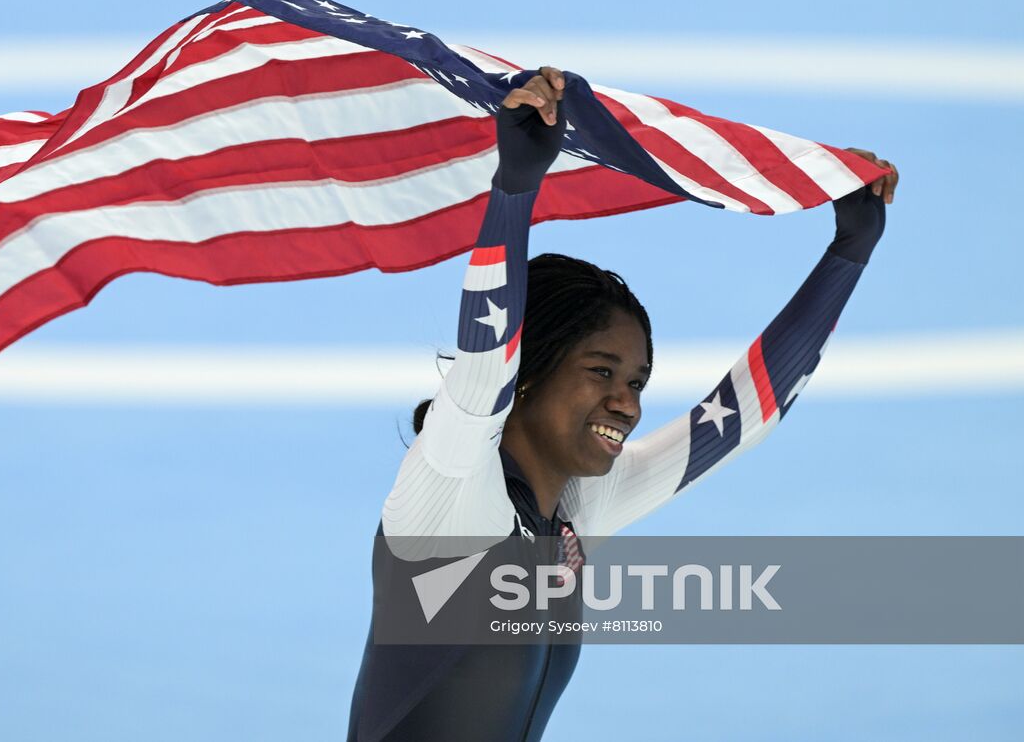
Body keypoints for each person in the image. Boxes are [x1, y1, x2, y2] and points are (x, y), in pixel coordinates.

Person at [346, 67, 899, 742]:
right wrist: (516, 184)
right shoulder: (451, 490)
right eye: (602, 371)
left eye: (636, 381)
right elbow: (486, 355)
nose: (625, 402)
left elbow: (740, 414)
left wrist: (849, 251)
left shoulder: (577, 511)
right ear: (529, 370)